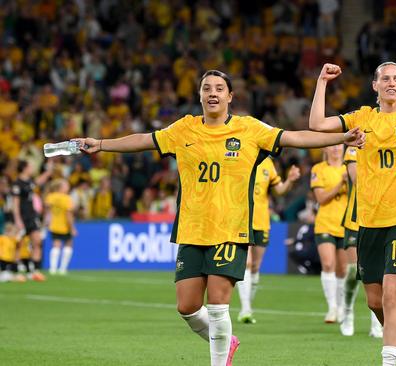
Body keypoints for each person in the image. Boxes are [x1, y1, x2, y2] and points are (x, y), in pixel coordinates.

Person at [74, 69, 365, 366]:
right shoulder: (183, 129)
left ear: (229, 96)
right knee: (187, 307)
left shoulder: (248, 129)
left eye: (218, 88)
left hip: (231, 228)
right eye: (206, 88)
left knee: (217, 304)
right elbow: (144, 140)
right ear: (199, 95)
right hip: (192, 227)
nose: (212, 93)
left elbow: (294, 137)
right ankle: (229, 341)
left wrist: (342, 137)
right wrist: (101, 144)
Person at [309, 61, 396, 366]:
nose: (392, 82)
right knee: (375, 301)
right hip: (369, 220)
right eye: (385, 78)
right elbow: (318, 125)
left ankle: (389, 361)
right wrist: (322, 81)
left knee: (391, 293)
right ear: (375, 85)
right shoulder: (362, 117)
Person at [237, 157, 300, 324]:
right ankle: (245, 308)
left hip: (261, 221)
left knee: (256, 266)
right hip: (240, 220)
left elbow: (279, 190)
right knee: (247, 263)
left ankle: (248, 304)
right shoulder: (240, 156)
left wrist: (290, 181)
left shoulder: (267, 163)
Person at [339, 145, 383, 337]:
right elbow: (358, 179)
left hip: (380, 218)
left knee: (379, 273)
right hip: (355, 219)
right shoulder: (353, 149)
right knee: (352, 270)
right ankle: (347, 310)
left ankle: (377, 323)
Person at [310, 144, 348, 323]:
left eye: (338, 145)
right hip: (325, 223)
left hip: (346, 224)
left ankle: (341, 308)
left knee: (343, 269)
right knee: (327, 263)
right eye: (331, 146)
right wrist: (341, 183)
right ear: (324, 149)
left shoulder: (351, 167)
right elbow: (321, 198)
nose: (335, 149)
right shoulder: (318, 169)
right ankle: (332, 308)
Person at [11, 159, 53, 281]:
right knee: (18, 244)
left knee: (37, 241)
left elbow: (39, 181)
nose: (32, 169)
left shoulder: (29, 182)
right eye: (30, 166)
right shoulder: (17, 184)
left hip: (32, 216)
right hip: (21, 217)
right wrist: (18, 220)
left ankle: (33, 271)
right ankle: (16, 271)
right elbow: (15, 204)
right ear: (24, 168)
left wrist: (48, 170)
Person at [45, 179, 76, 275]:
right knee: (68, 244)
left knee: (55, 245)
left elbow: (47, 211)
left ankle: (53, 268)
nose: (68, 187)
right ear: (60, 187)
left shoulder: (50, 197)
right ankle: (62, 269)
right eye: (66, 185)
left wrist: (46, 222)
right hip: (65, 225)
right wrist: (72, 228)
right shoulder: (67, 198)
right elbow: (68, 214)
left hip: (53, 225)